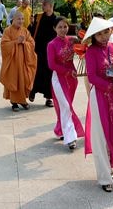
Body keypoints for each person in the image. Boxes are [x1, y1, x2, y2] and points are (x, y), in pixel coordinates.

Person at [84, 17, 113, 193]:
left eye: (106, 32)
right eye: (99, 34)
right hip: (101, 97)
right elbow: (93, 77)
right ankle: (104, 177)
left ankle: (111, 162)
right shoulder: (91, 52)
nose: (103, 36)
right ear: (94, 36)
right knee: (101, 137)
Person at [47, 16, 84, 150]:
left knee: (65, 106)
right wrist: (67, 72)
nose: (63, 29)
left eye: (65, 26)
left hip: (72, 79)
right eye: (60, 27)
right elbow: (52, 65)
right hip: (59, 79)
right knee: (67, 107)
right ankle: (71, 137)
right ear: (54, 29)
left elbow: (85, 47)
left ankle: (60, 129)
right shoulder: (51, 44)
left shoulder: (72, 41)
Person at [0, 11, 37, 112]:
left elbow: (32, 43)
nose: (21, 21)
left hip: (24, 62)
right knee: (13, 80)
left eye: (22, 19)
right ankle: (14, 102)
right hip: (13, 63)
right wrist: (16, 42)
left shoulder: (25, 31)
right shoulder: (8, 31)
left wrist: (24, 43)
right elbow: (4, 45)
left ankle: (22, 100)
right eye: (18, 19)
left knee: (24, 80)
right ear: (13, 20)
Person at [29, 0, 57, 107]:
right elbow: (31, 31)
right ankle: (32, 91)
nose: (42, 6)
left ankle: (48, 98)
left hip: (51, 52)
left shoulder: (56, 19)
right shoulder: (38, 17)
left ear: (50, 6)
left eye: (44, 5)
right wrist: (32, 24)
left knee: (49, 75)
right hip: (39, 50)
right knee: (36, 72)